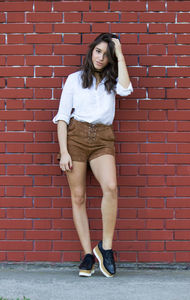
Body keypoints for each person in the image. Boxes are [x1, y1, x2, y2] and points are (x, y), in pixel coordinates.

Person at [53, 33, 133, 278]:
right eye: (98, 51)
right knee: (78, 197)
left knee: (111, 187)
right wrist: (64, 151)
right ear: (91, 51)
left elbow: (126, 90)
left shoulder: (112, 80)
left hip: (102, 139)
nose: (101, 57)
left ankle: (105, 248)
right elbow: (63, 117)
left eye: (106, 55)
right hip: (75, 136)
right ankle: (88, 253)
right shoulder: (75, 79)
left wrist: (120, 55)